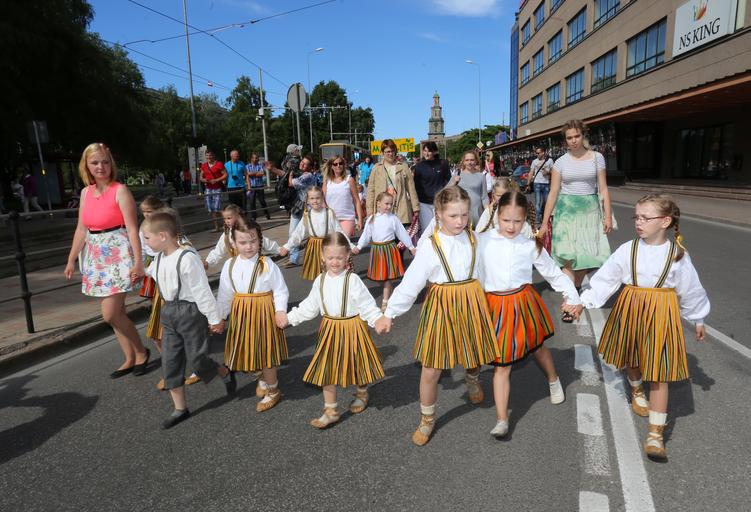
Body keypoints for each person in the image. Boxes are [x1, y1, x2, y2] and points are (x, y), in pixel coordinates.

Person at [577, 194, 709, 461]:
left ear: (665, 221)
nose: (638, 222)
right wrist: (584, 302)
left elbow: (690, 288)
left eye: (645, 218)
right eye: (636, 217)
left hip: (662, 311)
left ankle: (655, 435)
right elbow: (607, 278)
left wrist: (698, 317)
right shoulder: (628, 249)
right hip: (631, 305)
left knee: (660, 372)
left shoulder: (677, 255)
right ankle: (637, 388)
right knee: (632, 354)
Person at [375, 186, 500, 446]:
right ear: (439, 214)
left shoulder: (477, 239)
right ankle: (427, 418)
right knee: (431, 367)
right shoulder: (431, 246)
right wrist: (390, 312)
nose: (460, 221)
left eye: (464, 215)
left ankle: (472, 378)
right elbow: (411, 282)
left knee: (473, 351)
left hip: (472, 302)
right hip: (441, 306)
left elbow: (488, 273)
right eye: (453, 216)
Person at [478, 191, 581, 438]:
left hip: (522, 303)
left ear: (525, 219)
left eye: (517, 221)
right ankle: (502, 420)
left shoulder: (530, 245)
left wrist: (572, 296)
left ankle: (553, 380)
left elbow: (553, 273)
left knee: (537, 348)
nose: (511, 226)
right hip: (494, 305)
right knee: (502, 363)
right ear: (496, 215)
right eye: (506, 220)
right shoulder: (481, 241)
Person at [141, 212, 237, 429]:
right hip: (169, 312)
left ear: (163, 236)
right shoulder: (159, 258)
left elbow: (202, 291)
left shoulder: (187, 258)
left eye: (147, 238)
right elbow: (152, 273)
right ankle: (180, 408)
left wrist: (214, 318)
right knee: (170, 360)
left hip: (190, 313)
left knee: (197, 359)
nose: (145, 242)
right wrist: (139, 271)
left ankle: (223, 371)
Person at [280, 233, 386, 429]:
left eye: (339, 257)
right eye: (330, 257)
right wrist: (289, 318)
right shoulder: (320, 281)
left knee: (356, 364)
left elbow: (367, 305)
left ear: (347, 256)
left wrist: (377, 319)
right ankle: (331, 410)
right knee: (326, 369)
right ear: (322, 256)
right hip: (329, 329)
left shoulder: (353, 280)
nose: (335, 262)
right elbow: (309, 306)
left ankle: (362, 392)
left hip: (353, 327)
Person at [64, 143, 150, 378]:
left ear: (111, 164)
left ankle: (141, 352)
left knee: (110, 314)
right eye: (95, 162)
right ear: (86, 166)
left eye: (105, 161)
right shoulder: (85, 193)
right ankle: (129, 357)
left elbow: (132, 229)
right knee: (117, 313)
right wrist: (71, 259)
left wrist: (138, 262)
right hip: (96, 256)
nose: (100, 166)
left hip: (119, 253)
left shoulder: (120, 190)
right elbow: (81, 229)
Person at [216, 217, 289, 412]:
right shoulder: (229, 265)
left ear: (259, 240)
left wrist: (280, 311)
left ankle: (273, 390)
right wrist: (220, 317)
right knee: (246, 351)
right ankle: (262, 377)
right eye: (243, 242)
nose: (249, 246)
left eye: (253, 241)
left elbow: (280, 290)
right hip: (241, 314)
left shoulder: (267, 264)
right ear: (233, 242)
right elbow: (224, 295)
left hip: (264, 313)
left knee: (265, 354)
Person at [538, 120, 612, 303]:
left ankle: (575, 289)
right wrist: (544, 223)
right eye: (569, 137)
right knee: (569, 258)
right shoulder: (560, 162)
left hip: (590, 212)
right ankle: (569, 300)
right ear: (565, 140)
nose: (573, 140)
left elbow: (603, 189)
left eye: (577, 136)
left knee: (585, 258)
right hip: (566, 213)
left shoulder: (597, 158)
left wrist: (608, 216)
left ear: (583, 135)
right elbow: (553, 192)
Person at [352, 191, 416, 310]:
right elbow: (366, 235)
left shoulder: (393, 219)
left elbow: (402, 234)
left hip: (389, 250)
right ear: (378, 203)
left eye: (391, 204)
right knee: (380, 278)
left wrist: (411, 247)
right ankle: (389, 290)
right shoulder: (371, 219)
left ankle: (385, 302)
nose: (389, 206)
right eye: (386, 204)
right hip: (377, 251)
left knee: (386, 278)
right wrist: (359, 246)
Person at [278, 186, 352, 280]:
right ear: (307, 200)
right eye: (312, 198)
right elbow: (298, 233)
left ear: (322, 198)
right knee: (318, 276)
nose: (315, 201)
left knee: (332, 272)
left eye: (317, 198)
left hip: (328, 246)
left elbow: (339, 231)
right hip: (313, 248)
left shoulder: (329, 212)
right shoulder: (307, 215)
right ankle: (320, 288)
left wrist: (350, 245)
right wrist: (287, 246)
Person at [203, 204, 281, 271]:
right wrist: (208, 262)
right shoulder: (226, 235)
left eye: (229, 218)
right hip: (239, 268)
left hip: (255, 266)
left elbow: (264, 242)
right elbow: (218, 251)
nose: (226, 221)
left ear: (238, 216)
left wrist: (279, 249)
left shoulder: (248, 230)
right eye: (224, 219)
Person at [366, 139, 420, 228]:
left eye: (392, 151)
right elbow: (371, 191)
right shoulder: (376, 168)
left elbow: (411, 189)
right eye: (387, 152)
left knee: (402, 236)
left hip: (401, 209)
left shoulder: (403, 167)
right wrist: (370, 211)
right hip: (382, 210)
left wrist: (415, 208)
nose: (390, 154)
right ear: (382, 153)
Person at [412, 141, 451, 237]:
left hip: (440, 202)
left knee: (441, 229)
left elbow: (449, 181)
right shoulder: (419, 166)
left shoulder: (443, 163)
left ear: (434, 152)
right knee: (427, 231)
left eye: (429, 151)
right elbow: (416, 186)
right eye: (425, 151)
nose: (426, 153)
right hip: (424, 203)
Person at [286, 153, 317, 266]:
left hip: (308, 208)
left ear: (310, 167)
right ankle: (293, 258)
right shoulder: (301, 174)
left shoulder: (308, 176)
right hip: (298, 207)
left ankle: (316, 255)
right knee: (292, 232)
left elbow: (291, 183)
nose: (302, 164)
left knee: (312, 233)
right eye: (302, 162)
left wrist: (290, 174)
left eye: (305, 164)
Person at [322, 155, 364, 236]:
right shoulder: (327, 181)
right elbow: (323, 200)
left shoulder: (349, 180)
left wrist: (360, 219)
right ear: (331, 166)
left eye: (340, 163)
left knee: (343, 241)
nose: (338, 166)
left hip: (347, 218)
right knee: (332, 243)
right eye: (335, 164)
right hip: (330, 219)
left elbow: (356, 200)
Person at [455, 151, 488, 227]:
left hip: (477, 212)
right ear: (463, 162)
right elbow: (446, 191)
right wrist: (454, 182)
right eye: (467, 160)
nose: (469, 162)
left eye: (472, 160)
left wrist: (487, 212)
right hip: (461, 212)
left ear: (476, 161)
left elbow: (484, 197)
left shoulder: (481, 176)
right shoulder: (457, 175)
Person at [200, 150, 228, 232]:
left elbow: (225, 175)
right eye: (207, 155)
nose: (209, 157)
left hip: (217, 188)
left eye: (210, 155)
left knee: (217, 208)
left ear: (213, 156)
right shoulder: (204, 165)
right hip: (208, 188)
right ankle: (216, 227)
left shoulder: (219, 164)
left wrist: (216, 180)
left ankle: (227, 223)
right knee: (211, 209)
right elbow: (201, 177)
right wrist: (204, 180)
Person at [527, 146, 554, 225]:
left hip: (546, 184)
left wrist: (548, 172)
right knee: (538, 202)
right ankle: (538, 219)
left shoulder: (549, 161)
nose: (537, 154)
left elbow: (554, 172)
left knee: (546, 202)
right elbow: (531, 173)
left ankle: (545, 216)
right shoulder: (534, 161)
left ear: (543, 152)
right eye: (536, 153)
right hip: (537, 183)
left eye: (538, 153)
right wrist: (528, 184)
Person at [245, 153, 271, 220]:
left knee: (262, 201)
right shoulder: (247, 166)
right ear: (251, 158)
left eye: (257, 158)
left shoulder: (260, 165)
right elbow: (247, 174)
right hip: (252, 186)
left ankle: (266, 213)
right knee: (252, 202)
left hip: (260, 186)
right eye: (255, 158)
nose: (256, 159)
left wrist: (252, 174)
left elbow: (262, 173)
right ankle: (254, 216)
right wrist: (256, 173)